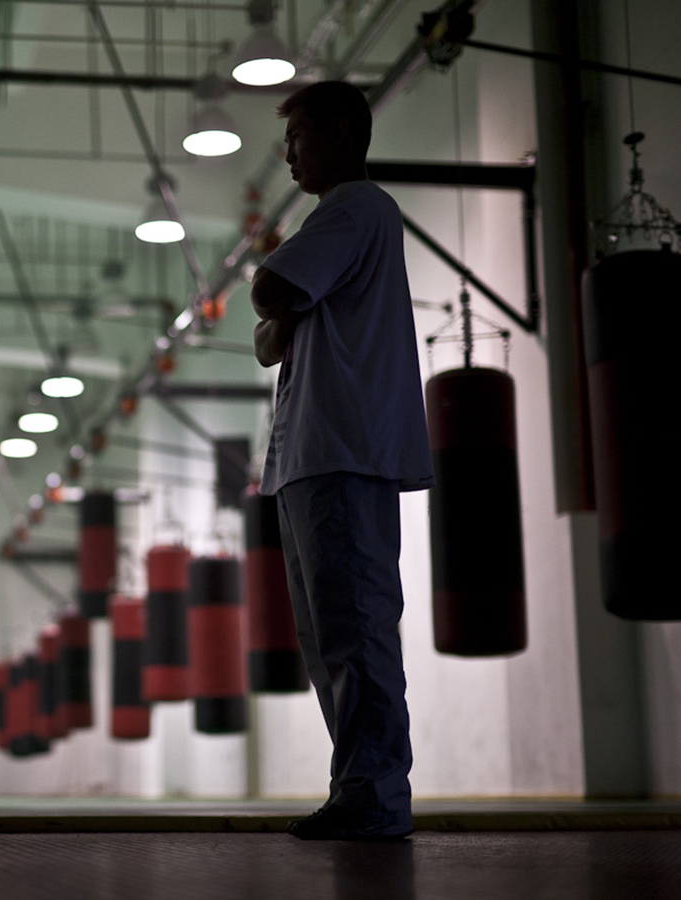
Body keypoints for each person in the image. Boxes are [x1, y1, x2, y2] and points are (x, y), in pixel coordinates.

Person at [250, 81, 433, 841]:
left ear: (337, 135)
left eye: (297, 138)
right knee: (330, 638)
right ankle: (359, 787)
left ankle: (377, 793)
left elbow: (268, 292)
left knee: (356, 627)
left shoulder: (355, 209)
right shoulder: (339, 222)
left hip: (342, 450)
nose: (288, 154)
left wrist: (284, 305)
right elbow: (267, 338)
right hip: (311, 456)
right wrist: (284, 310)